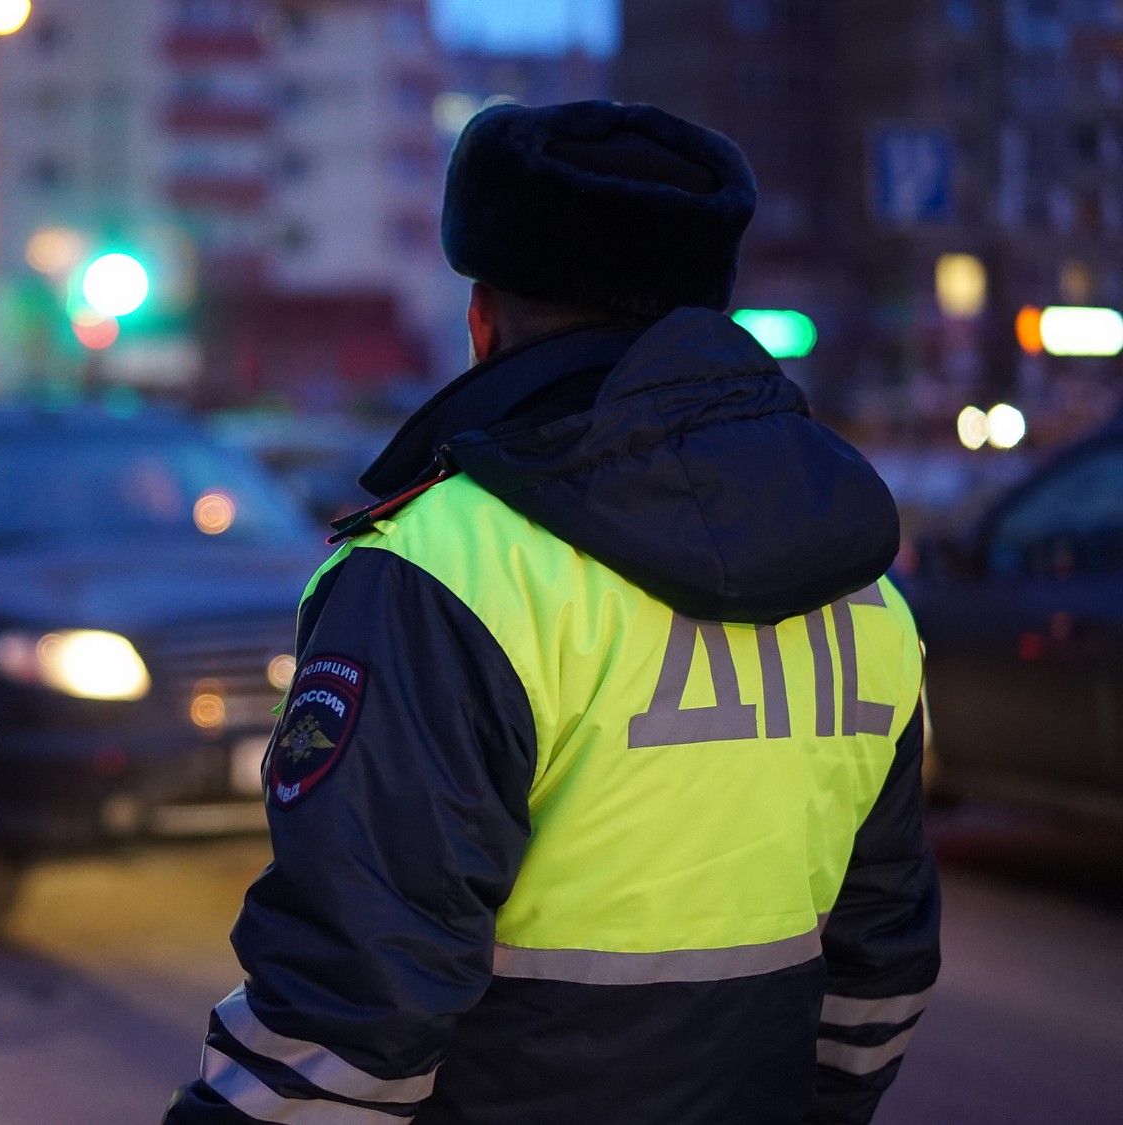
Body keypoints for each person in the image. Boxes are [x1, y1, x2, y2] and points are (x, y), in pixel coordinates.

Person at [163, 100, 939, 1125]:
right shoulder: (859, 585)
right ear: (707, 317)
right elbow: (878, 965)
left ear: (482, 321)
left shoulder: (438, 569)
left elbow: (349, 1010)